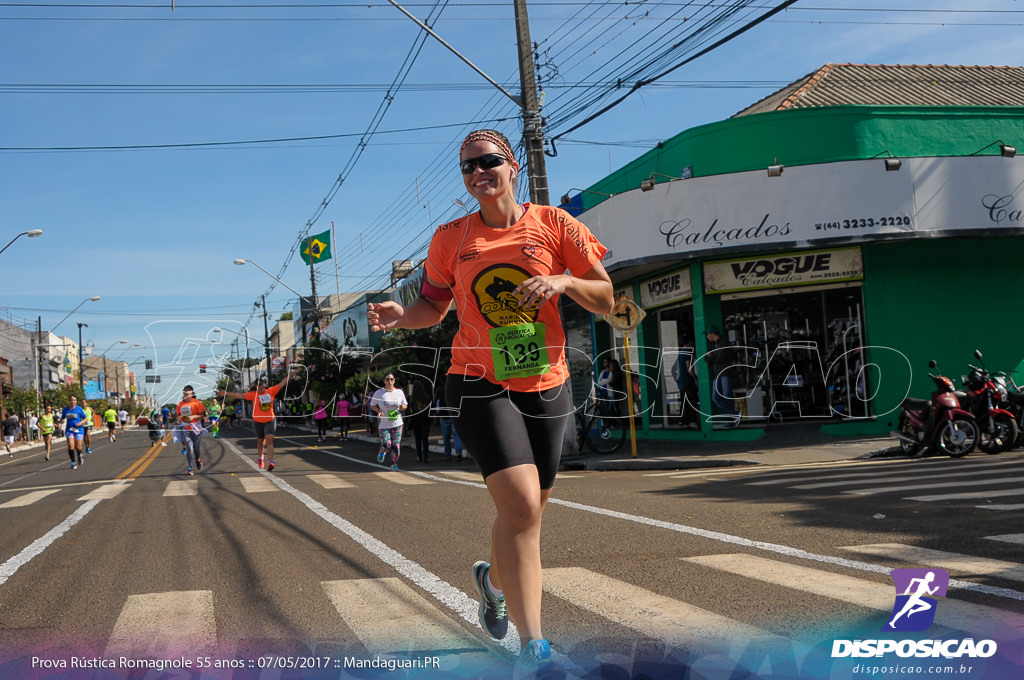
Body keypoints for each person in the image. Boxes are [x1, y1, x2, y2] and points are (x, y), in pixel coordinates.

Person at [366, 128, 613, 673]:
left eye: (488, 162)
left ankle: (491, 581)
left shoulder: (555, 224)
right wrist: (401, 317)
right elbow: (431, 305)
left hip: (546, 380)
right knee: (521, 507)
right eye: (467, 167)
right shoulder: (451, 237)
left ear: (513, 165)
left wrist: (563, 282)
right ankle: (535, 648)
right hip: (477, 379)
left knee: (528, 514)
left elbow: (605, 296)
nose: (478, 173)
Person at [218, 365, 301, 472]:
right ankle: (260, 457)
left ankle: (271, 462)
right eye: (259, 387)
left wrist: (293, 374)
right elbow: (239, 396)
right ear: (256, 387)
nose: (261, 388)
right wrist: (226, 393)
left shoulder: (271, 391)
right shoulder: (253, 395)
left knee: (269, 440)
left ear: (265, 385)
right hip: (258, 421)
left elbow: (283, 382)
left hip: (270, 420)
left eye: (263, 386)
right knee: (260, 442)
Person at [704, 325, 741, 427]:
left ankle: (731, 421)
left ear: (712, 334)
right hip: (718, 375)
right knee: (716, 398)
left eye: (707, 334)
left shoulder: (724, 342)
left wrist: (712, 356)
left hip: (725, 374)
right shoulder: (714, 345)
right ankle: (735, 414)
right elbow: (706, 359)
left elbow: (721, 357)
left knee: (727, 396)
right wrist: (713, 356)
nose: (707, 337)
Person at [369, 372, 407, 470]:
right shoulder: (379, 393)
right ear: (384, 381)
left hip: (397, 423)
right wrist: (379, 411)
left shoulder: (399, 392)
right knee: (387, 443)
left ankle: (394, 464)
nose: (390, 381)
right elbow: (372, 405)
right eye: (387, 379)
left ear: (394, 380)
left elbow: (405, 405)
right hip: (384, 424)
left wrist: (403, 407)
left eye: (392, 379)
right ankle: (382, 451)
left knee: (396, 446)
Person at [175, 385, 207, 476]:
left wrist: (193, 416)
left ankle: (198, 460)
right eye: (185, 390)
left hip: (196, 428)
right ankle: (191, 468)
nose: (187, 392)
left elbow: (202, 415)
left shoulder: (197, 403)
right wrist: (178, 419)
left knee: (196, 449)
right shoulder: (180, 404)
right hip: (186, 428)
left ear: (192, 393)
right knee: (189, 448)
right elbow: (178, 415)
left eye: (189, 390)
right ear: (183, 393)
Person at [434, 376, 465, 462]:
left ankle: (448, 454)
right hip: (454, 415)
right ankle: (459, 452)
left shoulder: (439, 390)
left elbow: (436, 402)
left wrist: (437, 413)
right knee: (456, 435)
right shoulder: (455, 388)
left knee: (446, 437)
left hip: (444, 416)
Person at [672, 345, 700, 429]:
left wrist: (677, 380)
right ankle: (692, 421)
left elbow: (673, 370)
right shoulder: (687, 353)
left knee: (685, 403)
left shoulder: (679, 355)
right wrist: (695, 378)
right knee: (692, 401)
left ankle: (684, 421)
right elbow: (689, 368)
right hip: (688, 382)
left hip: (682, 383)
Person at [407, 379, 432, 464]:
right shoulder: (427, 397)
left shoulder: (411, 399)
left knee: (418, 440)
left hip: (415, 422)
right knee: (425, 440)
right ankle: (426, 457)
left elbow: (408, 411)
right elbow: (430, 410)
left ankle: (420, 457)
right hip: (425, 421)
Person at [60, 396, 88, 468]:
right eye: (71, 400)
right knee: (70, 445)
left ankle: (79, 455)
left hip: (79, 430)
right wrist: (61, 421)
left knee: (78, 447)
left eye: (74, 400)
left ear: (76, 401)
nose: (72, 402)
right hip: (69, 429)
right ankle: (73, 462)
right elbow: (62, 418)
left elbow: (85, 418)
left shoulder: (79, 409)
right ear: (69, 401)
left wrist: (81, 423)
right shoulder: (66, 410)